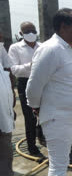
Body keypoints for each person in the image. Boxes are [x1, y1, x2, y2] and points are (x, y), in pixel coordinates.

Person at [26, 8, 72, 176]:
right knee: (58, 166)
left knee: (62, 161)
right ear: (63, 26)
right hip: (56, 118)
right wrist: (36, 107)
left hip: (70, 117)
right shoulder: (50, 50)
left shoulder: (71, 49)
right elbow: (33, 86)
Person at [8, 22, 45, 156]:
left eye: (33, 30)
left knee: (46, 114)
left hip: (43, 83)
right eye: (27, 31)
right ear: (21, 34)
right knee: (30, 117)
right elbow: (14, 69)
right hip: (25, 83)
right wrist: (32, 65)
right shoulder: (15, 48)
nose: (31, 33)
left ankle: (44, 138)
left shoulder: (42, 46)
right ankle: (32, 146)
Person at [0, 34, 15, 176]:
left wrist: (11, 108)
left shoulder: (1, 51)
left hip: (5, 115)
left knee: (5, 156)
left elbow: (8, 71)